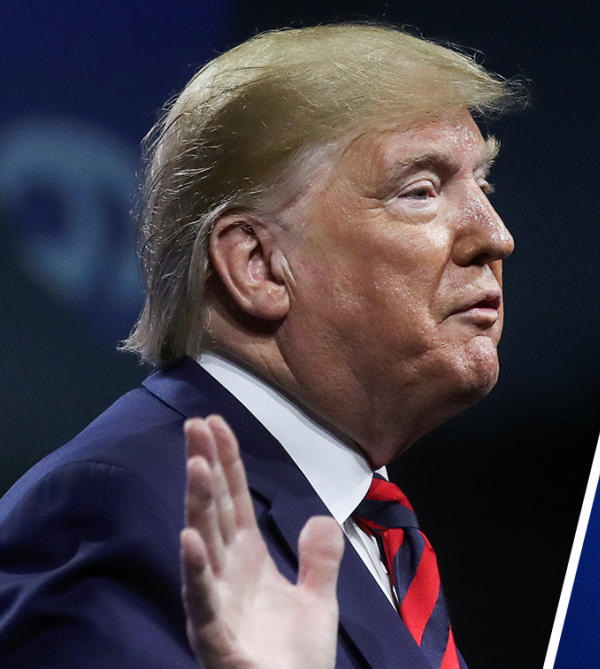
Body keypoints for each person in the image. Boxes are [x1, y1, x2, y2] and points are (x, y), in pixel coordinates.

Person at [0, 24, 520, 668]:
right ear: (258, 265)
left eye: (483, 187)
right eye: (420, 192)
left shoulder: (373, 528)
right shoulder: (118, 508)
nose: (495, 237)